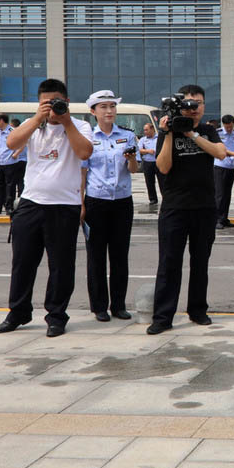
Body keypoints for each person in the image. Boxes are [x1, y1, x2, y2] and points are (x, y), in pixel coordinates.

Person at [0, 78, 94, 337]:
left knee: (61, 265)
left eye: (56, 102)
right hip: (31, 202)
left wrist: (66, 120)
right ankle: (18, 312)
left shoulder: (80, 125)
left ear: (67, 101)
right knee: (22, 262)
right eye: (45, 103)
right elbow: (11, 144)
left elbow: (84, 153)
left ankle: (56, 316)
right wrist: (37, 119)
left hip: (65, 205)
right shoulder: (32, 125)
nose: (51, 108)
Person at [147, 84, 226, 335]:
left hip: (204, 207)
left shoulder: (207, 130)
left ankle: (198, 310)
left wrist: (191, 134)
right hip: (174, 208)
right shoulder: (167, 131)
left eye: (198, 104)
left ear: (203, 106)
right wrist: (170, 133)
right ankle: (162, 317)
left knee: (200, 262)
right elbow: (164, 167)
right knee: (169, 263)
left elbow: (221, 153)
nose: (193, 109)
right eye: (189, 104)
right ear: (180, 105)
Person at [81, 90, 139, 322]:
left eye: (112, 106)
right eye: (103, 107)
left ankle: (119, 305)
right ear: (93, 111)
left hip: (122, 202)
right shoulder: (87, 137)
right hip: (95, 202)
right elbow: (82, 171)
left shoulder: (127, 136)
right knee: (96, 256)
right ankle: (99, 307)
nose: (109, 111)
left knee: (119, 255)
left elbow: (134, 170)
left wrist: (132, 159)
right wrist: (81, 203)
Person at [213, 114, 234, 229]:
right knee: (219, 194)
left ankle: (224, 218)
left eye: (230, 126)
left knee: (227, 194)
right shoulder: (218, 132)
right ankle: (217, 219)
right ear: (223, 125)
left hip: (230, 167)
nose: (229, 129)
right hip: (219, 166)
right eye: (227, 127)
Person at [137, 122, 161, 205]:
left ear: (152, 129)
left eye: (147, 130)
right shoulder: (143, 139)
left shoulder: (159, 138)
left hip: (158, 162)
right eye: (144, 130)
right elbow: (139, 150)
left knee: (162, 181)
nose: (145, 132)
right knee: (149, 182)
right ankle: (153, 199)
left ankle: (166, 197)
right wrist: (147, 151)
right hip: (148, 163)